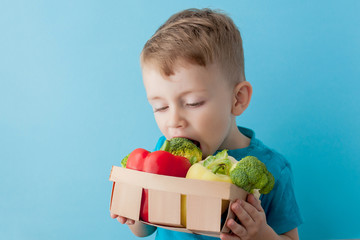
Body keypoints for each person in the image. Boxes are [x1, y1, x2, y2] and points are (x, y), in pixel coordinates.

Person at [111, 8, 303, 240]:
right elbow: (145, 228)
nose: (174, 122)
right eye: (161, 107)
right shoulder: (163, 155)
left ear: (237, 99)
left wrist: (261, 235)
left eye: (193, 103)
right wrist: (132, 214)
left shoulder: (273, 167)